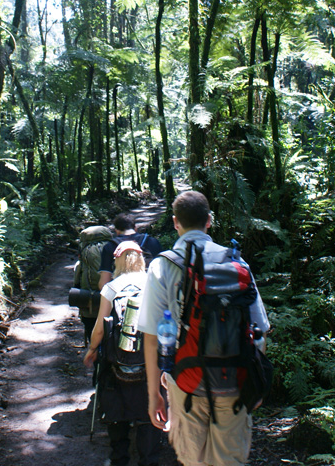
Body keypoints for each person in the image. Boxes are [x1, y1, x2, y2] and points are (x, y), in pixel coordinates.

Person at [137, 191, 270, 466]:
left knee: (193, 460)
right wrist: (255, 382)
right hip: (234, 381)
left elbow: (151, 337)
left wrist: (154, 396)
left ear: (175, 222)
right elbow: (259, 329)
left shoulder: (162, 266)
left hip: (185, 382)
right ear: (209, 220)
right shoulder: (236, 262)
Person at [84, 241, 162, 466]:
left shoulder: (112, 287)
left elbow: (100, 328)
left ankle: (119, 458)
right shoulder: (154, 284)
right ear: (141, 259)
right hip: (150, 360)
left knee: (116, 403)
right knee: (148, 406)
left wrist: (92, 350)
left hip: (116, 359)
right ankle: (149, 460)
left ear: (117, 261)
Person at [99, 213, 163, 290]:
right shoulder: (152, 242)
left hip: (121, 293)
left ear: (117, 231)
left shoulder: (109, 247)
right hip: (149, 291)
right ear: (135, 228)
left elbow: (104, 284)